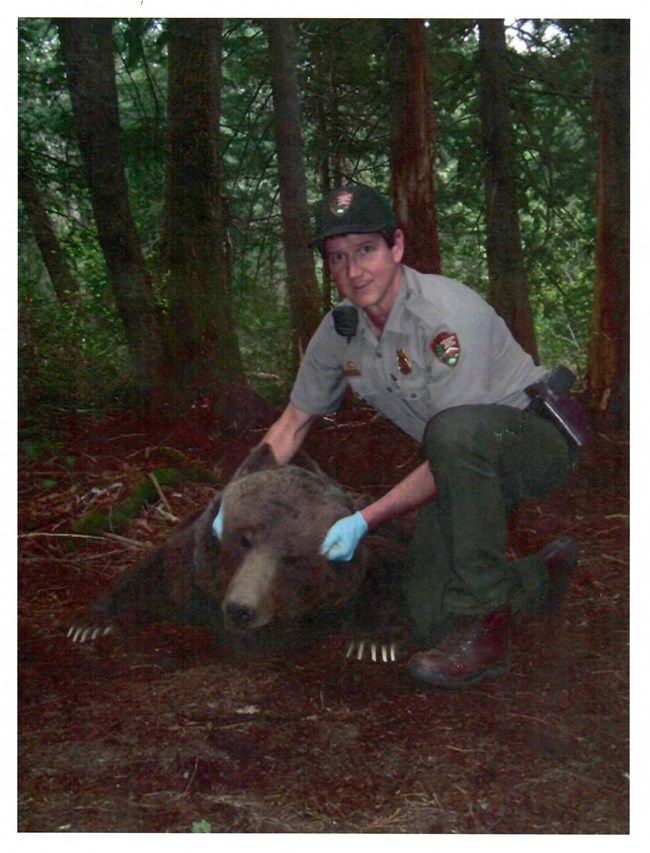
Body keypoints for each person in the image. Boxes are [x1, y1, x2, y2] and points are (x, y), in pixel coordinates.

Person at [216, 184, 581, 689]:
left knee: (454, 433)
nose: (353, 270)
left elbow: (452, 443)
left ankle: (487, 628)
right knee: (427, 611)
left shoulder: (446, 316)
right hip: (459, 463)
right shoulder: (340, 331)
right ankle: (542, 573)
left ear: (397, 248)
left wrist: (363, 521)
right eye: (337, 258)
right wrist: (232, 501)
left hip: (531, 443)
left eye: (366, 250)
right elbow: (293, 422)